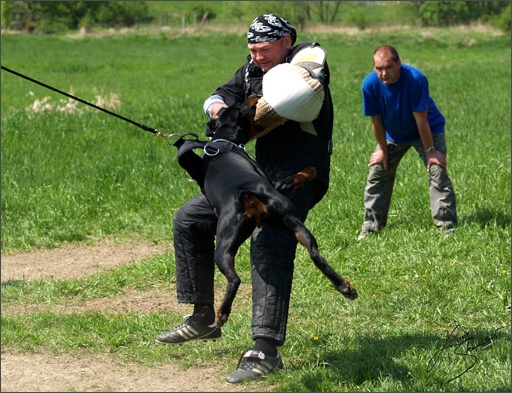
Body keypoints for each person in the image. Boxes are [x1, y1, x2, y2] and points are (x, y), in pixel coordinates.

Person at [156, 14, 334, 384]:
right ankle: (204, 317)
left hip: (297, 175)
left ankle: (264, 349)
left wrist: (245, 118)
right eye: (252, 49)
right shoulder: (251, 69)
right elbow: (218, 97)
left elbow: (289, 95)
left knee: (269, 238)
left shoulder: (309, 61)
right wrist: (218, 109)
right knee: (190, 219)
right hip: (253, 178)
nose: (258, 56)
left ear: (287, 41)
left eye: (265, 49)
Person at [358, 45, 457, 240]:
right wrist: (383, 150)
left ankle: (447, 227)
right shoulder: (369, 85)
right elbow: (376, 122)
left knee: (437, 171)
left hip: (428, 131)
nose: (383, 73)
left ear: (399, 64)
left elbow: (421, 120)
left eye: (388, 67)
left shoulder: (415, 80)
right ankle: (371, 228)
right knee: (377, 171)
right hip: (394, 135)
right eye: (379, 69)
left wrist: (431, 152)